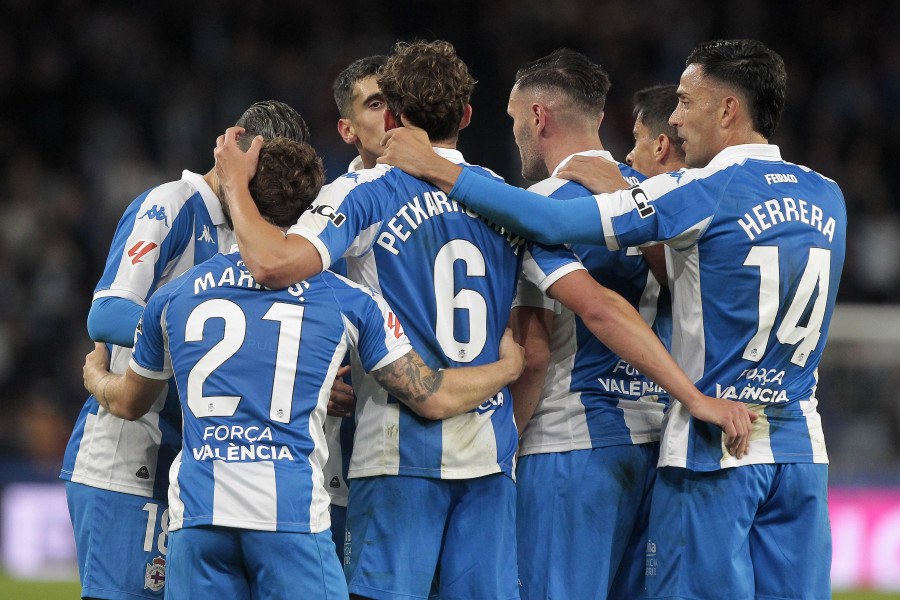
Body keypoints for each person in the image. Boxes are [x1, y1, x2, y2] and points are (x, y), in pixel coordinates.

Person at [216, 40, 755, 600]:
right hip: (489, 463)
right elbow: (599, 307)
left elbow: (273, 265)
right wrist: (693, 397)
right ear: (468, 115)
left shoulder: (361, 192)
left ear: (394, 118)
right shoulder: (504, 203)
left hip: (398, 458)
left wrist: (233, 181)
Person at [379, 39, 844, 600]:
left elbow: (550, 224)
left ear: (727, 110)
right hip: (797, 447)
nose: (673, 117)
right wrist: (633, 190)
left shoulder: (698, 191)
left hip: (698, 444)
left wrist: (433, 166)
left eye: (687, 101)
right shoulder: (829, 195)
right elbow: (700, 280)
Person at [80, 136, 527, 599]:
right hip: (290, 518)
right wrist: (507, 368)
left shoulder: (173, 299)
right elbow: (433, 395)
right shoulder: (350, 300)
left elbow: (129, 402)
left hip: (198, 518)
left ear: (239, 197)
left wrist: (95, 374)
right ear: (311, 210)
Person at [60, 100, 311, 600]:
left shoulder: (260, 231)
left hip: (201, 469)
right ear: (234, 148)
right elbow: (107, 314)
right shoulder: (171, 204)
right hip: (129, 459)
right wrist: (205, 345)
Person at [504, 49, 669, 600]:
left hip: (567, 446)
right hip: (655, 445)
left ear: (537, 117)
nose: (515, 134)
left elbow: (533, 351)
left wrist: (504, 450)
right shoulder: (655, 201)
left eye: (513, 119)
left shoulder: (541, 205)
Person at [324, 54, 389, 565]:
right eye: (375, 103)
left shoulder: (460, 189)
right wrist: (317, 384)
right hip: (354, 442)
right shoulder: (327, 207)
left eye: (396, 101)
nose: (391, 114)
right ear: (347, 129)